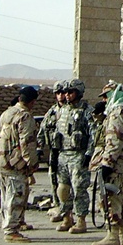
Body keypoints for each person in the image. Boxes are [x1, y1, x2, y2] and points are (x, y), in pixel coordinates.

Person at [88, 82, 123, 245]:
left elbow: (113, 141)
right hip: (122, 161)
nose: (104, 100)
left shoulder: (117, 114)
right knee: (119, 197)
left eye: (105, 96)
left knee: (110, 198)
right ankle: (121, 234)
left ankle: (113, 235)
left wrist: (106, 163)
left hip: (114, 163)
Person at [0, 85, 40, 243]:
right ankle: (11, 230)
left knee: (6, 195)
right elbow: (27, 143)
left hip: (2, 161)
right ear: (32, 102)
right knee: (16, 196)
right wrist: (32, 164)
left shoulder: (7, 113)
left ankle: (9, 224)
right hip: (16, 164)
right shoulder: (25, 116)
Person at [54, 79, 92, 234]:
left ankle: (81, 221)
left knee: (79, 189)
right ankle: (66, 218)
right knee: (63, 190)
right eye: (65, 92)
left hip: (78, 155)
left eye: (71, 92)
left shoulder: (86, 111)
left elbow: (93, 135)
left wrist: (89, 154)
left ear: (79, 93)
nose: (67, 95)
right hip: (63, 154)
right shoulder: (62, 110)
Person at [38, 81, 67, 222]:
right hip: (54, 151)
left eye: (63, 93)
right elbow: (43, 131)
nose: (60, 96)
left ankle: (69, 212)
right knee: (54, 179)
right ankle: (58, 208)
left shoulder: (72, 111)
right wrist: (39, 147)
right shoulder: (52, 112)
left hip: (69, 152)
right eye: (58, 93)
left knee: (68, 184)